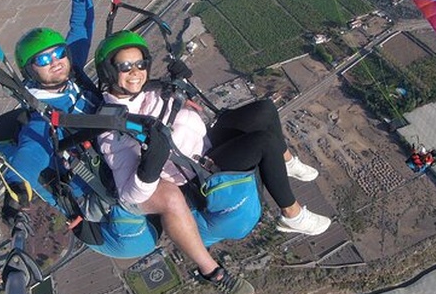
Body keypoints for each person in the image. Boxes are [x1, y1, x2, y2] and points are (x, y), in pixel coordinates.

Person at [1, 0, 253, 294]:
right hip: (106, 178)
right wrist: (16, 196)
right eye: (44, 59)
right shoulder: (43, 115)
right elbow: (27, 156)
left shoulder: (72, 78)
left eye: (59, 53)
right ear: (30, 70)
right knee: (167, 198)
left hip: (127, 146)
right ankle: (212, 271)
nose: (57, 61)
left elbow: (80, 25)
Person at [94, 31, 331, 242]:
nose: (135, 72)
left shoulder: (148, 91)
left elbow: (171, 112)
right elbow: (129, 194)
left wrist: (179, 84)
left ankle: (286, 163)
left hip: (205, 143)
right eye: (125, 66)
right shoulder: (114, 128)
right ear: (108, 71)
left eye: (140, 64)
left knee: (264, 110)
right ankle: (292, 215)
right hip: (197, 174)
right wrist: (149, 168)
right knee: (263, 142)